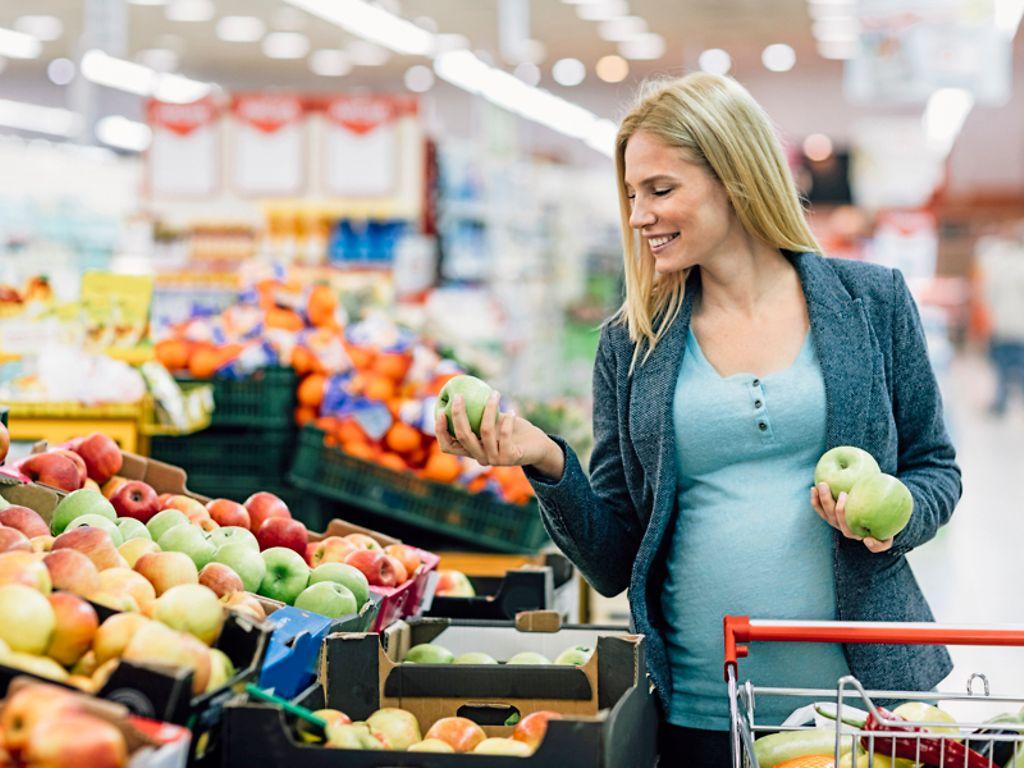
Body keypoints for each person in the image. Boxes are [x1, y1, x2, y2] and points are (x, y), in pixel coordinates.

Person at [434, 73, 961, 768]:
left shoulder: (872, 302)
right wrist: (546, 460)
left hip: (864, 707)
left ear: (736, 177)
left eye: (660, 190)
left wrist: (896, 516)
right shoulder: (633, 341)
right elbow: (614, 558)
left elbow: (935, 469)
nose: (638, 216)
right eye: (630, 195)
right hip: (704, 711)